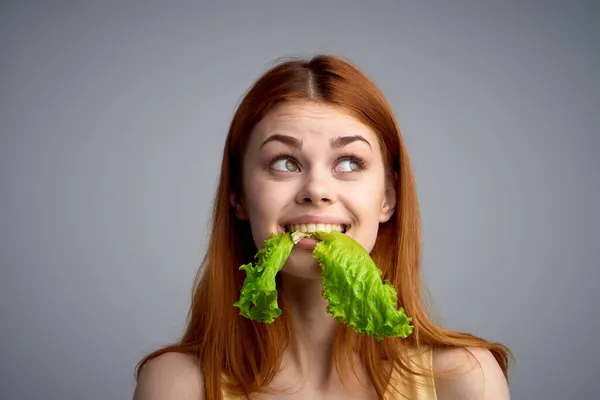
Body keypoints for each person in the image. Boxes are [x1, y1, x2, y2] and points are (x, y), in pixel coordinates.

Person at [133, 54, 512, 399]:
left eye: (349, 163)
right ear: (239, 196)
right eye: (284, 163)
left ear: (388, 198)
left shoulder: (463, 380)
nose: (316, 190)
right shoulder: (178, 385)